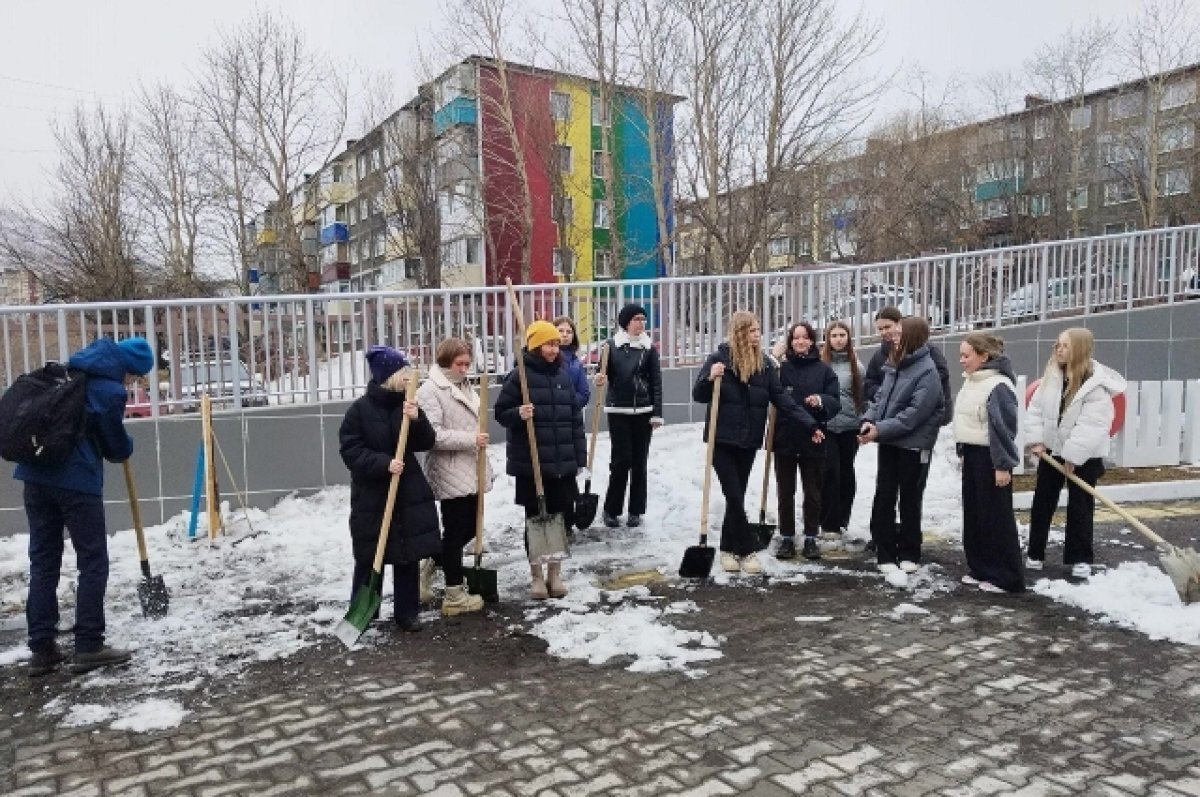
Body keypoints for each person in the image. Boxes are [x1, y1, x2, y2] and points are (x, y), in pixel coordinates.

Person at [16, 336, 155, 677]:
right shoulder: (109, 390)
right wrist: (126, 445)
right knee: (93, 560)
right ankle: (89, 645)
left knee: (43, 561)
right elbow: (114, 446)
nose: (132, 382)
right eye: (135, 377)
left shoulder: (69, 373)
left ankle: (42, 649)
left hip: (35, 477)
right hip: (76, 482)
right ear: (129, 368)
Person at [692, 311, 820, 574]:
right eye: (752, 331)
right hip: (722, 440)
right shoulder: (719, 359)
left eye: (758, 330)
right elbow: (699, 395)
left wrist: (810, 424)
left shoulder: (764, 365)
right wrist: (709, 377)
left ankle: (727, 549)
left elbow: (783, 400)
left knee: (734, 496)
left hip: (748, 442)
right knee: (735, 495)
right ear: (739, 332)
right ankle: (746, 550)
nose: (757, 335)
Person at [339, 346, 440, 632]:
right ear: (388, 376)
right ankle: (363, 612)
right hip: (373, 495)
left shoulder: (408, 405)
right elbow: (351, 451)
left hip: (407, 491)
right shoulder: (358, 411)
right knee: (371, 554)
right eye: (403, 372)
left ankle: (407, 613)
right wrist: (383, 463)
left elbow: (426, 441)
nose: (409, 377)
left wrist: (417, 418)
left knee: (407, 552)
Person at [494, 320, 587, 599]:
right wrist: (518, 414)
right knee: (535, 520)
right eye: (549, 343)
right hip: (532, 464)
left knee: (559, 519)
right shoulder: (519, 376)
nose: (554, 348)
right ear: (535, 346)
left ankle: (555, 574)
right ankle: (536, 577)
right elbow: (500, 412)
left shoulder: (563, 375)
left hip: (561, 462)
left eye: (557, 343)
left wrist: (579, 456)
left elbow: (575, 421)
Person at [1024, 327, 1126, 579]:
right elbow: (1036, 410)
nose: (1059, 349)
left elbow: (1093, 425)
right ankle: (1035, 553)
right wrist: (1037, 440)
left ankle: (1080, 557)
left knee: (1080, 506)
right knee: (1042, 502)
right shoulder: (1052, 377)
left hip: (1084, 456)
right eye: (1057, 345)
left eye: (1065, 345)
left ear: (1079, 349)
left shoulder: (1096, 385)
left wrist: (1073, 456)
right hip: (1051, 453)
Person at [859, 316, 945, 588]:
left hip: (913, 445)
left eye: (898, 333)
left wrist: (879, 429)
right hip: (889, 442)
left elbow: (913, 416)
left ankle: (909, 551)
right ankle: (885, 553)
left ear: (912, 337)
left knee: (909, 499)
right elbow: (881, 398)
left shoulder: (927, 371)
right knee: (885, 495)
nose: (893, 337)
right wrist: (869, 420)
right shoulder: (895, 363)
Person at [415, 338, 493, 616]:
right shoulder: (430, 391)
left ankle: (433, 563)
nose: (464, 369)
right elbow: (432, 435)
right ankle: (454, 592)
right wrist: (471, 439)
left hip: (470, 466)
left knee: (471, 528)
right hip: (449, 469)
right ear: (446, 362)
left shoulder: (464, 385)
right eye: (459, 364)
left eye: (467, 364)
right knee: (455, 531)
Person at [954, 333, 1024, 594]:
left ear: (984, 356)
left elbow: (1003, 428)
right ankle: (981, 567)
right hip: (973, 455)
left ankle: (1006, 576)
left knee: (995, 516)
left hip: (991, 457)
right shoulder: (973, 382)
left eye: (966, 355)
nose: (961, 360)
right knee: (975, 514)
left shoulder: (998, 385)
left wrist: (1002, 464)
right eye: (961, 355)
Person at [769, 321, 839, 561]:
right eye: (795, 338)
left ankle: (811, 536)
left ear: (812, 340)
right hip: (785, 438)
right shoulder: (781, 369)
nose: (800, 342)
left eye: (804, 337)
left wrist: (820, 401)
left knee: (812, 492)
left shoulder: (824, 371)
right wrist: (774, 359)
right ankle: (786, 537)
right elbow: (769, 388)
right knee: (785, 492)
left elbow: (835, 402)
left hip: (814, 438)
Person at [594, 303, 663, 529]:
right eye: (636, 319)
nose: (641, 324)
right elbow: (601, 372)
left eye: (643, 319)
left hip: (643, 412)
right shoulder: (611, 347)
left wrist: (657, 413)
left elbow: (656, 382)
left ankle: (636, 510)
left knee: (639, 462)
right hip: (618, 411)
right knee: (621, 460)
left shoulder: (649, 348)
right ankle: (611, 509)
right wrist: (599, 379)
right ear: (626, 322)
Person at [864, 306, 952, 423]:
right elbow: (870, 382)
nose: (884, 332)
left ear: (900, 324)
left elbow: (941, 374)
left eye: (887, 327)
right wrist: (887, 395)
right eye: (880, 329)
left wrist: (907, 392)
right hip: (893, 418)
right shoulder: (880, 354)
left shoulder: (926, 348)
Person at [819, 320, 865, 540]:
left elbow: (863, 397)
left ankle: (842, 519)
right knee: (830, 471)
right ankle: (828, 523)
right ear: (828, 339)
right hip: (827, 426)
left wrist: (863, 422)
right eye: (834, 335)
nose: (838, 339)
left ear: (848, 338)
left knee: (846, 472)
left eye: (842, 335)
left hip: (850, 427)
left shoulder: (857, 367)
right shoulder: (821, 365)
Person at [554, 316, 591, 409]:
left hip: (572, 417)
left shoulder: (576, 362)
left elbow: (584, 394)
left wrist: (569, 406)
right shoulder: (547, 357)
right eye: (560, 331)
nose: (565, 335)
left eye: (569, 332)